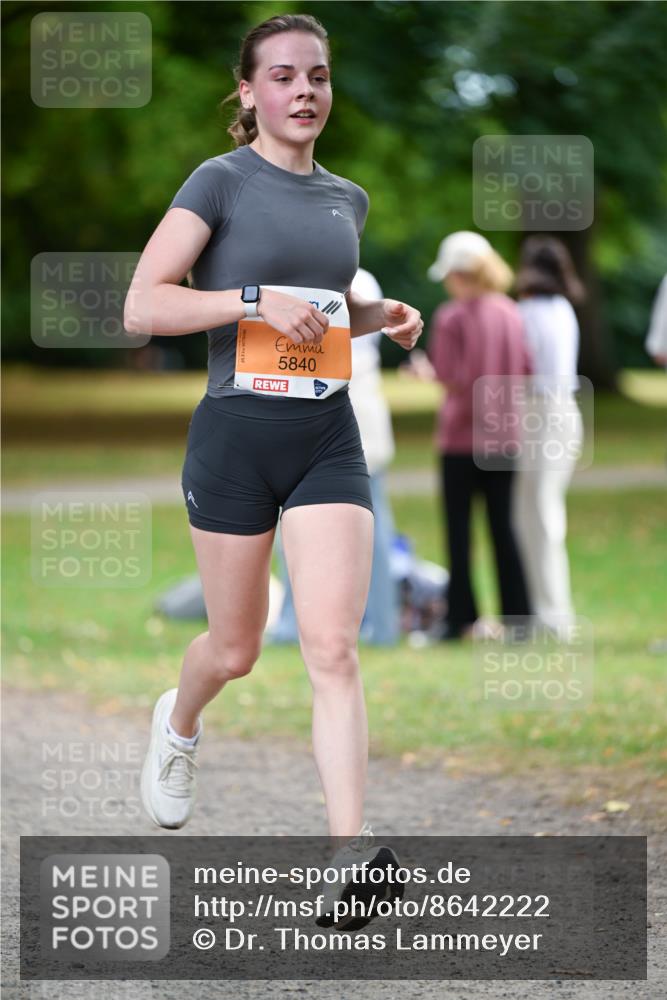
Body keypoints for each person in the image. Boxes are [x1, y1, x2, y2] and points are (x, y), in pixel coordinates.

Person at [123, 13, 421, 924]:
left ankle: (348, 855)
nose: (304, 92)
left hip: (326, 441)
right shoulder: (218, 182)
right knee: (238, 648)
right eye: (284, 76)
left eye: (318, 77)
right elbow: (144, 305)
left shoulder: (349, 199)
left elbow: (320, 313)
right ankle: (180, 721)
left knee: (332, 647)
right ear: (248, 92)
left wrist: (376, 318)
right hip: (235, 443)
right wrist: (250, 297)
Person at [270, 265, 400, 646]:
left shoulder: (314, 281)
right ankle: (379, 624)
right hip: (359, 415)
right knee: (370, 527)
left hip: (337, 413)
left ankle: (297, 623)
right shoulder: (363, 279)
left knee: (302, 524)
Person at [425, 231, 533, 640]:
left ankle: (460, 619)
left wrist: (426, 372)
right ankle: (519, 617)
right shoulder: (511, 312)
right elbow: (525, 368)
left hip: (460, 438)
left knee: (459, 530)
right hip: (505, 438)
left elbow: (452, 376)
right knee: (504, 528)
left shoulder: (452, 317)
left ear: (458, 273)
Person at [512, 236, 586, 637]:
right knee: (540, 513)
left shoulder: (528, 312)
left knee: (538, 515)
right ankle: (544, 609)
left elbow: (523, 371)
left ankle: (553, 615)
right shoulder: (563, 310)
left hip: (540, 413)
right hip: (564, 412)